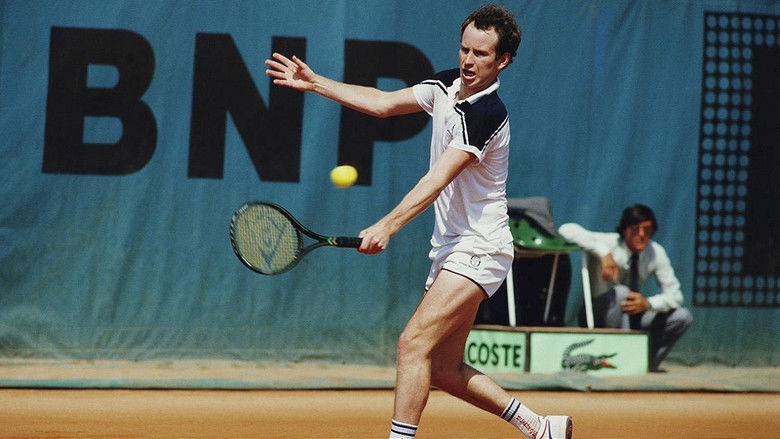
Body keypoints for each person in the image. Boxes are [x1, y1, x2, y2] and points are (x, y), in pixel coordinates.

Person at [265, 5, 571, 439]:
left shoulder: (486, 113)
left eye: (481, 54)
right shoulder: (447, 84)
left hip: (479, 247)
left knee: (412, 345)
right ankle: (539, 426)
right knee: (443, 368)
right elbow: (384, 103)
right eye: (465, 49)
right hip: (452, 247)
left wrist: (387, 225)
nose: (468, 61)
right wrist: (317, 83)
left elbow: (436, 179)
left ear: (503, 60)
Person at [558, 204, 693, 372]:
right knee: (621, 292)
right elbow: (565, 230)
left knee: (683, 316)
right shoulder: (609, 242)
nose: (641, 235)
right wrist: (603, 253)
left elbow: (676, 296)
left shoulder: (656, 252)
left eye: (647, 230)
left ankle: (645, 363)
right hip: (598, 312)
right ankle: (623, 360)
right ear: (624, 230)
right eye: (635, 229)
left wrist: (648, 303)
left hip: (633, 314)